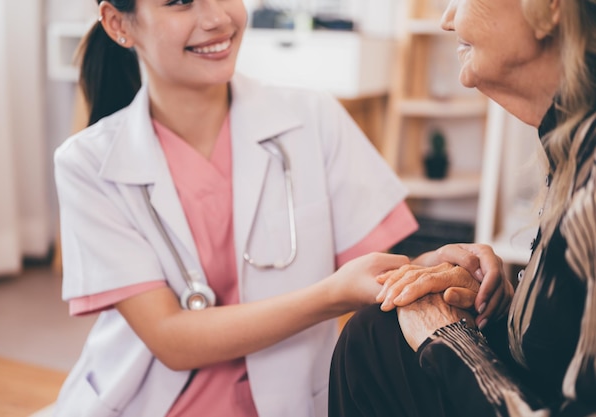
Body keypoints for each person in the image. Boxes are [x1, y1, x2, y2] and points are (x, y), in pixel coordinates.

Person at [52, 1, 509, 416]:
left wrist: (433, 268)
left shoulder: (314, 118)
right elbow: (172, 339)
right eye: (180, 2)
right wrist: (331, 295)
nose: (216, 18)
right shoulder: (88, 164)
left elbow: (374, 272)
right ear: (118, 23)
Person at [329, 0, 596, 416]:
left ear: (550, 6)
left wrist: (448, 340)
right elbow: (567, 349)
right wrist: (504, 308)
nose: (447, 18)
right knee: (378, 332)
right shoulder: (573, 156)